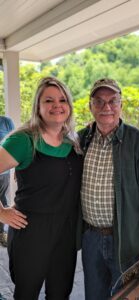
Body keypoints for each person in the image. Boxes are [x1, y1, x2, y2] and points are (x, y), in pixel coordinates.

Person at [79, 78, 139, 300]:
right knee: (94, 295)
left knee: (125, 295)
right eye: (99, 101)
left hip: (127, 238)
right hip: (91, 238)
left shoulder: (137, 141)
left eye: (112, 101)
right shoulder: (81, 139)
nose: (106, 107)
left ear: (121, 105)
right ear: (90, 106)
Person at [0, 77, 83, 300]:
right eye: (49, 100)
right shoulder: (24, 140)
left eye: (62, 99)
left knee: (60, 293)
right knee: (27, 293)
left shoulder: (72, 141)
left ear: (69, 106)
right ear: (38, 106)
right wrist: (1, 212)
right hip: (31, 230)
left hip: (65, 231)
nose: (57, 105)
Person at [0, 116, 14, 247]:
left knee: (2, 201)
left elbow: (14, 146)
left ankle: (1, 233)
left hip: (3, 173)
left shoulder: (6, 122)